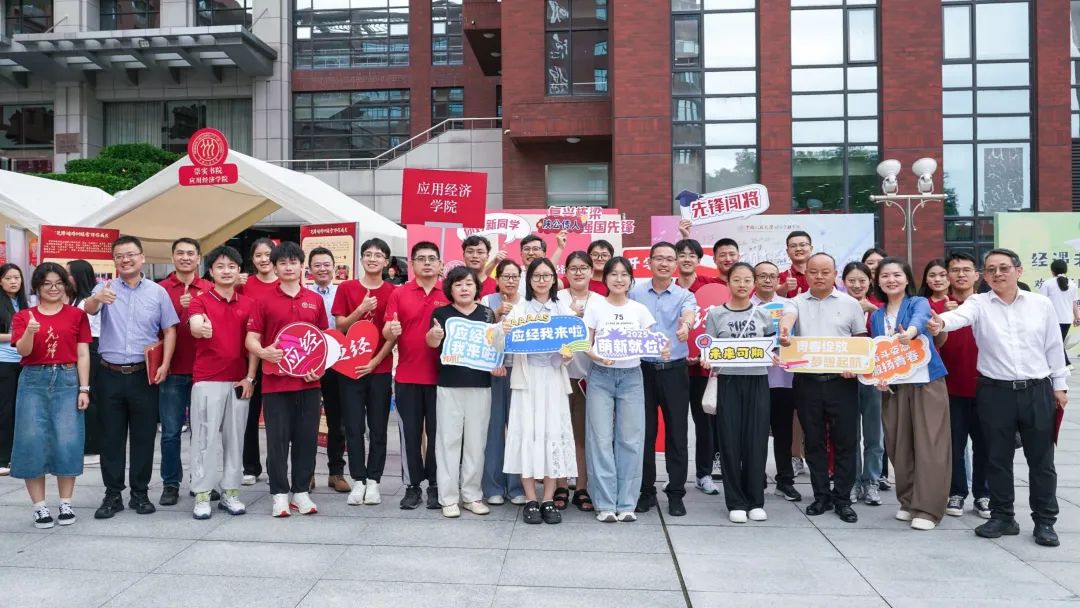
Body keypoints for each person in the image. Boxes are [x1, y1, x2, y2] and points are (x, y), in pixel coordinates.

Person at [928, 248, 1068, 547]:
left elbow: (1054, 347)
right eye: (991, 269)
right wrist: (940, 322)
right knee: (997, 458)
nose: (997, 274)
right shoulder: (978, 303)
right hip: (994, 392)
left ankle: (1045, 521)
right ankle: (1003, 516)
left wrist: (1060, 386)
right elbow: (958, 317)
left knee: (1041, 461)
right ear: (984, 275)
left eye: (1004, 268)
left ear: (1019, 271)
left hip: (1036, 390)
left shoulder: (1040, 304)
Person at [85, 236, 178, 519]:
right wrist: (96, 298)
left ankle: (140, 493)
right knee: (111, 437)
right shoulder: (104, 288)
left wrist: (165, 364)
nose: (125, 260)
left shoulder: (158, 292)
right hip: (109, 373)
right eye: (119, 256)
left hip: (143, 375)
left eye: (130, 254)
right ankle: (112, 494)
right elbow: (88, 309)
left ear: (142, 257)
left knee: (143, 436)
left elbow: (170, 330)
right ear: (114, 260)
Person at [779, 253, 865, 524]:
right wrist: (785, 330)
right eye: (813, 271)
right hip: (808, 383)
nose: (819, 276)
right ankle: (821, 496)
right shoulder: (796, 302)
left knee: (845, 442)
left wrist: (856, 365)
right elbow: (788, 318)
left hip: (842, 383)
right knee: (814, 441)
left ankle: (843, 499)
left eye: (825, 272)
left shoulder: (850, 304)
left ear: (835, 274)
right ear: (806, 274)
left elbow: (861, 340)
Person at [246, 241, 327, 517]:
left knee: (307, 439)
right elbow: (251, 338)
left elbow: (323, 340)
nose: (288, 267)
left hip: (309, 382)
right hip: (275, 381)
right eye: (283, 263)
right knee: (277, 440)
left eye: (293, 262)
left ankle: (301, 492)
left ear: (302, 266)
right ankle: (279, 494)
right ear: (275, 267)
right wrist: (263, 352)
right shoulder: (263, 300)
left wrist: (320, 368)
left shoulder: (314, 299)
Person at [871, 258, 951, 530]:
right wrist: (878, 377)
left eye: (897, 275)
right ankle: (908, 501)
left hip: (926, 382)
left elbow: (920, 320)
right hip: (895, 387)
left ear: (907, 279)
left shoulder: (918, 303)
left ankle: (928, 509)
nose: (891, 280)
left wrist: (912, 333)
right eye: (885, 276)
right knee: (898, 443)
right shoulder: (877, 315)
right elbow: (878, 352)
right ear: (878, 281)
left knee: (930, 444)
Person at [9, 263, 91, 528]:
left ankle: (66, 502)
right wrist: (30, 332)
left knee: (68, 439)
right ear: (37, 287)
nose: (53, 288)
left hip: (67, 378)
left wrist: (84, 388)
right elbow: (23, 351)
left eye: (58, 283)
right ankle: (40, 507)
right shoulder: (24, 316)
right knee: (31, 440)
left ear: (65, 285)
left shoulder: (77, 315)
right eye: (47, 284)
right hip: (34, 379)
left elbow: (82, 354)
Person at [584, 256, 663, 522]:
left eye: (624, 274)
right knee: (600, 439)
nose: (619, 279)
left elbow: (651, 342)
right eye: (613, 274)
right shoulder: (595, 307)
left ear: (631, 279)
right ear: (605, 278)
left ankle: (627, 502)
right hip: (601, 376)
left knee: (630, 440)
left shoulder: (639, 310)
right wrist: (596, 356)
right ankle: (605, 503)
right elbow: (585, 343)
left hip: (631, 378)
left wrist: (662, 349)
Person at [503, 258, 578, 525]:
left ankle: (547, 498)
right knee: (527, 433)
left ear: (554, 279)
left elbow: (572, 344)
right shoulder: (520, 309)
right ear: (529, 279)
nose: (542, 280)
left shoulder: (562, 309)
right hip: (527, 380)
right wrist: (504, 329)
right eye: (536, 275)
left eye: (547, 275)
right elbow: (504, 342)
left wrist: (567, 354)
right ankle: (530, 499)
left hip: (553, 378)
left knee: (552, 435)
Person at [187, 245, 256, 520]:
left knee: (235, 440)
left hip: (239, 381)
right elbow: (195, 324)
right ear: (211, 271)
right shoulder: (200, 301)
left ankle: (231, 492)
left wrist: (250, 377)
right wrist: (199, 327)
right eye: (220, 267)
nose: (226, 271)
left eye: (231, 267)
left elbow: (254, 344)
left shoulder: (249, 304)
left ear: (239, 270)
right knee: (203, 439)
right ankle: (202, 494)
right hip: (207, 379)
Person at [630, 242, 697, 517]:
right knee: (644, 433)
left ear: (676, 264)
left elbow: (689, 314)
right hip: (642, 370)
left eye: (670, 259)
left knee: (677, 434)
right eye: (659, 258)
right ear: (649, 262)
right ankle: (646, 491)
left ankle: (676, 493)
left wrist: (686, 326)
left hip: (674, 371)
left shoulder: (684, 295)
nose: (665, 263)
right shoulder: (635, 292)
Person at [706, 262, 775, 523]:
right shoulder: (716, 314)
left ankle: (755, 500)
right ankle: (735, 501)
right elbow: (709, 349)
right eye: (737, 279)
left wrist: (777, 353)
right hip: (728, 382)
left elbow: (772, 348)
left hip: (757, 381)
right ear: (728, 283)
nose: (742, 285)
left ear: (754, 283)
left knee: (756, 441)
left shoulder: (763, 314)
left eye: (747, 280)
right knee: (730, 442)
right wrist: (707, 359)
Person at [332, 238, 397, 506]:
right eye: (368, 254)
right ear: (361, 259)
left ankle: (374, 481)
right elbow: (340, 327)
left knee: (378, 428)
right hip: (349, 369)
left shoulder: (393, 291)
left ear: (386, 261)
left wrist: (375, 362)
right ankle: (358, 480)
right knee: (354, 426)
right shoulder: (347, 288)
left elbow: (392, 335)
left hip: (379, 369)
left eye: (378, 255)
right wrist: (361, 309)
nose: (372, 259)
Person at [385, 241, 449, 510]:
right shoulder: (399, 293)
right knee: (409, 434)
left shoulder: (449, 292)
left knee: (438, 435)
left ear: (440, 264)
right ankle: (412, 486)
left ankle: (436, 485)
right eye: (421, 259)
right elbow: (387, 331)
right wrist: (391, 330)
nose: (427, 263)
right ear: (411, 264)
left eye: (432, 258)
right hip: (407, 376)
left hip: (442, 379)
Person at [428, 267, 497, 518]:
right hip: (449, 385)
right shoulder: (441, 313)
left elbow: (495, 346)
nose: (464, 288)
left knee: (476, 443)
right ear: (450, 289)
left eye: (469, 283)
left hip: (481, 386)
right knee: (448, 441)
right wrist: (434, 336)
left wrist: (498, 360)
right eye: (458, 284)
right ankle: (448, 498)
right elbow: (432, 342)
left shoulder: (487, 314)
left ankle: (472, 495)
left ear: (476, 287)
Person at [157, 238, 213, 507]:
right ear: (172, 257)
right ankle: (170, 483)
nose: (185, 257)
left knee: (203, 433)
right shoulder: (160, 289)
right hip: (173, 370)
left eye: (191, 253)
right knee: (170, 432)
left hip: (204, 371)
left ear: (199, 258)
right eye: (180, 253)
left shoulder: (210, 288)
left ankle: (200, 481)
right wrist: (180, 307)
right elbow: (153, 327)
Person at [936, 252, 990, 519]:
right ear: (947, 275)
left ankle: (984, 495)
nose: (961, 274)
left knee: (986, 445)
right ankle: (956, 492)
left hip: (987, 388)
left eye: (966, 270)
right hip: (951, 389)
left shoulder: (988, 305)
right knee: (954, 445)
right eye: (955, 270)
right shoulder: (937, 309)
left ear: (977, 275)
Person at [750, 261, 802, 502]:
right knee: (756, 433)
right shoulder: (745, 306)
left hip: (784, 379)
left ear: (778, 280)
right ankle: (756, 477)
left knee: (783, 434)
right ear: (754, 279)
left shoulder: (788, 305)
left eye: (772, 276)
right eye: (762, 276)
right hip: (755, 379)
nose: (768, 280)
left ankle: (785, 481)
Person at [674, 237, 723, 491]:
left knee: (705, 424)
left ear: (699, 259)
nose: (686, 259)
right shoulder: (669, 289)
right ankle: (676, 476)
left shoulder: (711, 287)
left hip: (703, 368)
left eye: (691, 255)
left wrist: (706, 353)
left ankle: (704, 474)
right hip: (674, 368)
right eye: (681, 254)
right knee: (676, 425)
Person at [480, 259, 526, 506]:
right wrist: (495, 316)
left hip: (520, 371)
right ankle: (493, 486)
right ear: (497, 280)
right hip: (494, 372)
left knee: (518, 428)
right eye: (505, 276)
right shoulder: (487, 301)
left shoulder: (527, 304)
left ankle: (517, 487)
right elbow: (479, 335)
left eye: (514, 276)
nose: (510, 281)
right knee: (494, 429)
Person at [306, 246, 348, 493]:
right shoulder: (304, 294)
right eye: (317, 265)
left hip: (337, 363)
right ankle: (308, 473)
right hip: (310, 363)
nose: (322, 269)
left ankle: (336, 472)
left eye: (326, 265)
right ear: (309, 270)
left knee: (337, 420)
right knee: (308, 420)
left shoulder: (342, 292)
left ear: (334, 267)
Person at [842, 261, 883, 507]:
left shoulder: (879, 308)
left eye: (862, 281)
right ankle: (853, 481)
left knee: (874, 434)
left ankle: (872, 482)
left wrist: (874, 311)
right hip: (846, 378)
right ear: (843, 282)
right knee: (849, 435)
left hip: (873, 379)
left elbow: (888, 340)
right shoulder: (838, 307)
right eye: (852, 281)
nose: (857, 285)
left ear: (870, 282)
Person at [239, 238, 279, 486]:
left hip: (279, 359)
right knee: (248, 415)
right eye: (258, 255)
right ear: (252, 260)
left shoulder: (285, 283)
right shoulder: (244, 285)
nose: (264, 259)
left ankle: (276, 466)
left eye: (267, 254)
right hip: (248, 358)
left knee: (277, 418)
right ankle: (250, 466)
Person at [557, 251, 594, 511]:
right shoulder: (556, 298)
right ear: (566, 272)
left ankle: (581, 487)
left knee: (581, 436)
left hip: (588, 378)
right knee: (559, 435)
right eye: (573, 268)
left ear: (591, 271)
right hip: (557, 376)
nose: (578, 272)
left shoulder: (601, 301)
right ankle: (560, 485)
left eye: (583, 268)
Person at [67, 260, 102, 466]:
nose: (66, 278)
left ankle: (93, 447)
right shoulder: (75, 300)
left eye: (69, 274)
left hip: (91, 349)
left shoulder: (87, 302)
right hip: (82, 348)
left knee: (90, 396)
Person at [0, 263, 27, 478]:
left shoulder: (23, 302)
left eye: (17, 277)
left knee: (22, 411)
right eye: (8, 278)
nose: (13, 281)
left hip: (23, 361)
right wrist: (18, 335)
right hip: (4, 362)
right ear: (0, 281)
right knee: (6, 411)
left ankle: (16, 456)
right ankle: (2, 458)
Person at [1038, 259, 1080, 365]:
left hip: (1052, 319)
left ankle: (1066, 364)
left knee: (1056, 343)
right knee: (1058, 342)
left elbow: (1041, 303)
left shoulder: (1047, 284)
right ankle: (1063, 364)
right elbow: (1074, 303)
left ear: (1052, 270)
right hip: (1066, 319)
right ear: (1065, 270)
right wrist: (1077, 317)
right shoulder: (1072, 284)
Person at [778, 231, 814, 297]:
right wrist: (784, 288)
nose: (798, 249)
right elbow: (774, 296)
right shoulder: (780, 277)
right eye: (793, 246)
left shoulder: (822, 275)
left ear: (811, 249)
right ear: (787, 252)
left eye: (802, 245)